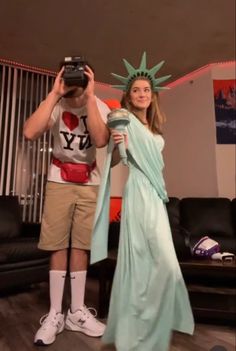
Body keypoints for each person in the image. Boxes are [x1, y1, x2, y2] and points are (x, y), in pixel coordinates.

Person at [90, 52, 194, 351]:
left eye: (146, 90)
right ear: (128, 94)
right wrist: (116, 144)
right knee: (139, 257)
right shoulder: (123, 120)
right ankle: (135, 325)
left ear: (153, 95)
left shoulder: (154, 128)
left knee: (165, 262)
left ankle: (151, 319)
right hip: (138, 191)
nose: (142, 94)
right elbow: (113, 159)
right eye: (136, 90)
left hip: (155, 193)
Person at [23, 56, 110, 346]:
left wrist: (91, 97)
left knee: (81, 246)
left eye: (81, 76)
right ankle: (55, 313)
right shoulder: (57, 104)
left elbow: (99, 140)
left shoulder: (98, 105)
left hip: (89, 182)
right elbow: (30, 131)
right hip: (59, 179)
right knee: (57, 244)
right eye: (71, 75)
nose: (76, 80)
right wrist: (54, 93)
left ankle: (76, 312)